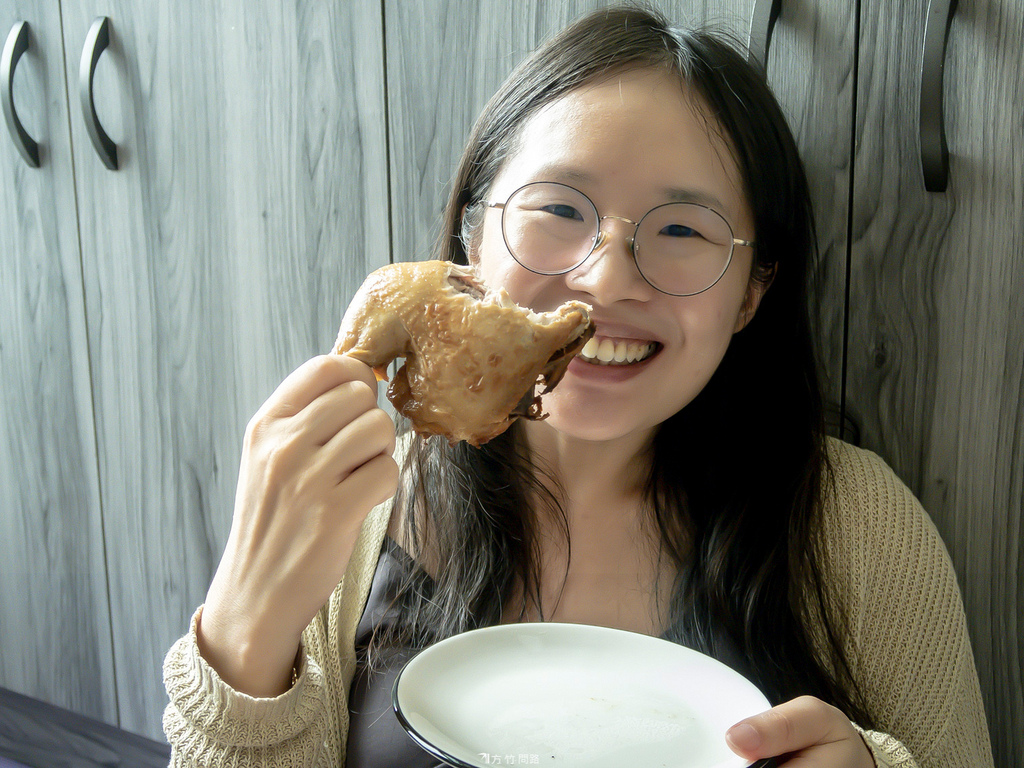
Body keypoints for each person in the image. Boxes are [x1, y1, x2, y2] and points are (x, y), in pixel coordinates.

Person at [162, 6, 994, 767]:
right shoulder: (346, 508)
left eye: (681, 229)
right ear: (473, 240)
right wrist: (244, 620)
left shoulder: (859, 530)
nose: (605, 281)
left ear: (753, 293)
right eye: (559, 210)